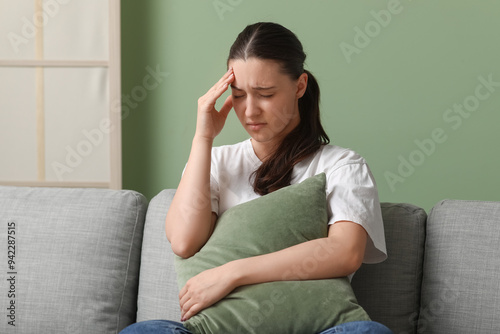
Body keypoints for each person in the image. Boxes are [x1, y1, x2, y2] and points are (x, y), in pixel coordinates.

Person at [121, 22, 392, 334]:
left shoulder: (342, 165)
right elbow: (183, 241)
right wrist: (202, 138)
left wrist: (233, 273)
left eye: (265, 94)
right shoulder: (215, 161)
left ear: (300, 86)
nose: (249, 111)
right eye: (238, 95)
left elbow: (346, 253)